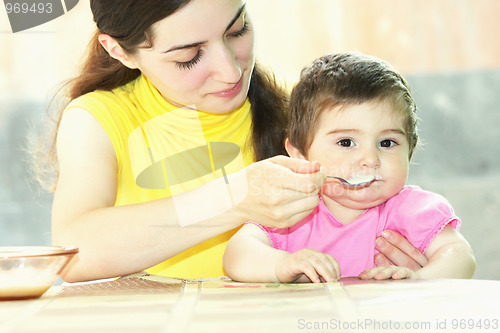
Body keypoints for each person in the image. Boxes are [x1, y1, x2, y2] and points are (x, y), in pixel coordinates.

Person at [34, 0, 427, 282]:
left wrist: (410, 263)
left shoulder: (301, 108)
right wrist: (232, 197)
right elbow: (73, 251)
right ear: (119, 50)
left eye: (236, 30)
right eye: (189, 56)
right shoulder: (99, 119)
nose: (229, 71)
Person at [223, 52, 476, 283]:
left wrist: (418, 280)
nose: (370, 159)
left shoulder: (410, 209)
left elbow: (460, 257)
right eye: (346, 142)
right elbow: (237, 254)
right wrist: (283, 264)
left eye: (387, 143)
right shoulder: (292, 210)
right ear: (300, 156)